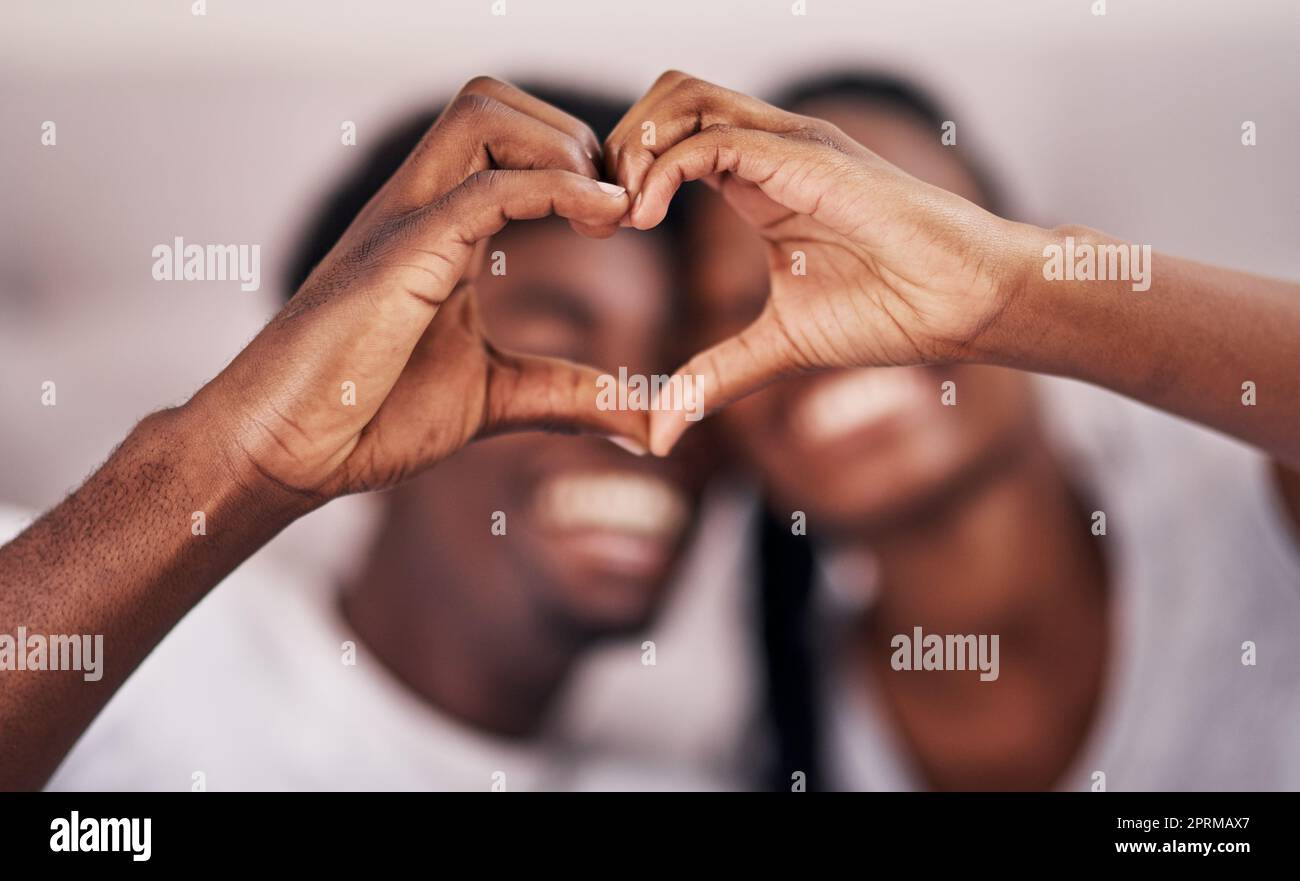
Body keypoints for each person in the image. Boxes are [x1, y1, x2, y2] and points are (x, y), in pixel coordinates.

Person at [0, 81, 747, 791]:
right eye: (557, 337)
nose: (647, 414)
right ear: (373, 368)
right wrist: (236, 458)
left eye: (686, 362)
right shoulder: (109, 647)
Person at [655, 71, 1300, 790]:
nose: (832, 335)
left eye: (882, 257)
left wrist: (1016, 294)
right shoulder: (745, 721)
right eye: (741, 304)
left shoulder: (1248, 510)